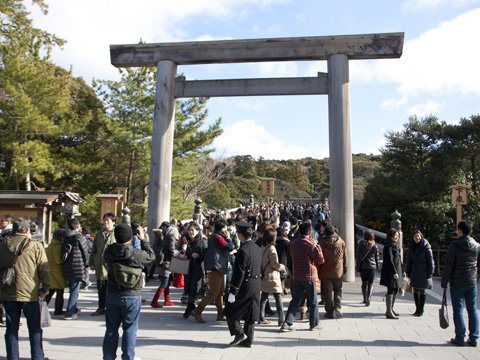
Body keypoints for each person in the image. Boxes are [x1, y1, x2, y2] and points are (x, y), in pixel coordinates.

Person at [102, 223, 155, 360]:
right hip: (132, 295)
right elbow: (151, 256)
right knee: (130, 330)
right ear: (131, 237)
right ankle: (128, 357)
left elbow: (104, 259)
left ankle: (108, 357)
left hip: (113, 293)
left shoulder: (109, 252)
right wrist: (143, 239)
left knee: (111, 330)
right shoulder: (136, 254)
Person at [0, 218, 50, 360]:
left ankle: (12, 356)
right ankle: (37, 356)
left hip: (8, 290)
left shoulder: (3, 244)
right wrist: (46, 286)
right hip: (30, 293)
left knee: (11, 328)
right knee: (34, 328)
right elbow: (44, 268)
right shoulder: (34, 245)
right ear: (27, 230)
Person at [280, 221, 324, 332]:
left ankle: (287, 323)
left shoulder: (293, 243)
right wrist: (317, 246)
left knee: (295, 300)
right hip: (309, 275)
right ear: (309, 233)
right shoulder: (310, 243)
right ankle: (313, 323)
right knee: (313, 300)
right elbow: (320, 259)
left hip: (297, 275)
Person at [441, 220, 480, 347]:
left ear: (460, 230)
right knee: (472, 309)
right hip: (472, 281)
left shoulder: (455, 246)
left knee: (458, 310)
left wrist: (444, 282)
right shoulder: (476, 245)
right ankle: (474, 337)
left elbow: (448, 266)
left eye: (457, 229)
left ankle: (460, 337)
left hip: (457, 282)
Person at [224, 221, 262, 348]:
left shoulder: (243, 250)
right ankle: (249, 339)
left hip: (244, 285)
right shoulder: (257, 248)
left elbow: (239, 273)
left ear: (241, 235)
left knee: (230, 310)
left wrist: (233, 290)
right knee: (251, 313)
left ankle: (239, 332)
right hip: (255, 284)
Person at [190, 221, 234, 323]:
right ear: (221, 228)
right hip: (215, 267)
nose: (226, 231)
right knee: (213, 292)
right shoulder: (217, 237)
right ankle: (197, 311)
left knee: (220, 292)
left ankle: (220, 314)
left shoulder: (216, 236)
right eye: (225, 229)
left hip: (219, 266)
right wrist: (228, 238)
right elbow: (230, 247)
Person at [62, 218, 90, 320]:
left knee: (73, 289)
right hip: (78, 266)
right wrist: (87, 264)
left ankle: (74, 308)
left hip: (67, 266)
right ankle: (69, 313)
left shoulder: (65, 237)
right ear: (78, 227)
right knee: (74, 290)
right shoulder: (79, 237)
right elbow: (85, 252)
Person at [90, 212, 117, 316]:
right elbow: (94, 249)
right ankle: (101, 307)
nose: (105, 222)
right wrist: (92, 262)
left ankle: (111, 308)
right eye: (104, 220)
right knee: (101, 288)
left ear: (113, 222)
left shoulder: (116, 234)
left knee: (111, 289)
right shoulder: (99, 234)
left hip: (111, 266)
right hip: (100, 266)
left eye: (108, 221)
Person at [318, 223, 347, 319]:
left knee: (328, 292)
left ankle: (329, 311)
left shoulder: (321, 243)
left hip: (325, 270)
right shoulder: (341, 242)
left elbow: (319, 258)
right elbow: (345, 257)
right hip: (338, 270)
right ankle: (337, 308)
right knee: (338, 289)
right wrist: (345, 267)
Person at [259, 227, 285, 326]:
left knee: (264, 297)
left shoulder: (262, 247)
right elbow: (275, 264)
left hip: (264, 275)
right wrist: (282, 267)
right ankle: (281, 320)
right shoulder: (272, 248)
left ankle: (261, 317)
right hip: (272, 276)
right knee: (278, 298)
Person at [181, 222, 208, 319]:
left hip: (198, 269)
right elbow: (181, 254)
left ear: (198, 231)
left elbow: (207, 255)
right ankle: (191, 308)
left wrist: (199, 256)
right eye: (189, 230)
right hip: (187, 268)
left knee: (194, 288)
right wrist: (184, 250)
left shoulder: (202, 242)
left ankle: (191, 309)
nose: (190, 232)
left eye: (192, 230)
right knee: (188, 288)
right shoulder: (185, 241)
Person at [406, 229, 434, 317]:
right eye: (415, 236)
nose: (417, 238)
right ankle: (417, 308)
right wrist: (408, 271)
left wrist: (430, 271)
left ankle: (421, 309)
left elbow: (430, 260)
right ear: (413, 238)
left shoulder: (426, 246)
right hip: (414, 270)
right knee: (415, 289)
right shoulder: (411, 247)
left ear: (421, 236)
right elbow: (409, 260)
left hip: (423, 270)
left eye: (418, 236)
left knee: (422, 290)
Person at [151, 221, 179, 308]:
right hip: (167, 262)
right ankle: (154, 301)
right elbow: (171, 251)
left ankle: (167, 300)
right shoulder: (170, 237)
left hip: (162, 261)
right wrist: (179, 253)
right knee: (164, 283)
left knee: (166, 282)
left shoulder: (163, 235)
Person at [380, 228, 403, 319]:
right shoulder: (388, 246)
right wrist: (394, 272)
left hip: (398, 270)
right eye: (394, 236)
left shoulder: (395, 246)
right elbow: (389, 260)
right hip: (391, 271)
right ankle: (389, 311)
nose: (396, 237)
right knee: (391, 289)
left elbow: (399, 260)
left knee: (396, 289)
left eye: (397, 236)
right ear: (390, 236)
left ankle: (391, 308)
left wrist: (403, 271)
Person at [44, 229, 68, 315]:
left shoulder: (50, 245)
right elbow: (58, 260)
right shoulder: (58, 246)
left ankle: (42, 308)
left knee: (49, 292)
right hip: (58, 272)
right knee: (60, 292)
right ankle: (58, 310)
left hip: (50, 271)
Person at [356, 230, 379, 306]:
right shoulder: (375, 246)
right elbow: (377, 258)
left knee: (364, 283)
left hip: (363, 267)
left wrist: (358, 267)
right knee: (370, 284)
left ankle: (364, 298)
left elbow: (359, 257)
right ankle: (368, 299)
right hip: (372, 267)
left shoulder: (360, 244)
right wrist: (377, 266)